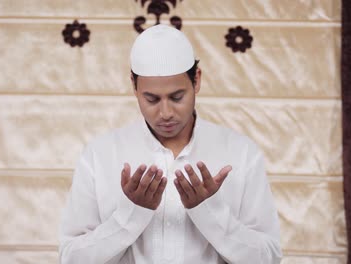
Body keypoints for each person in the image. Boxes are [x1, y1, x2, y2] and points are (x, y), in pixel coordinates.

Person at [59, 24, 282, 264]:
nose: (165, 113)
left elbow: (268, 258)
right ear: (134, 86)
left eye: (177, 97)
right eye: (151, 99)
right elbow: (71, 258)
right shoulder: (100, 155)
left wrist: (210, 212)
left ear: (196, 80)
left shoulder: (241, 153)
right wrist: (130, 216)